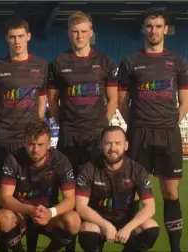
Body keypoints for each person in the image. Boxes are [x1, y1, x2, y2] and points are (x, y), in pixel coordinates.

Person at [117, 9, 188, 252]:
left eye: (158, 26)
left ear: (165, 29)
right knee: (135, 193)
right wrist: (137, 125)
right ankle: (133, 247)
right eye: (149, 26)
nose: (154, 31)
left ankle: (175, 248)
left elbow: (185, 102)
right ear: (143, 29)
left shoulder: (177, 62)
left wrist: (169, 123)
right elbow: (121, 102)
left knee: (170, 192)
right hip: (139, 135)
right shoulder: (130, 62)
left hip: (168, 134)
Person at [47, 13, 119, 251]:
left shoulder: (105, 62)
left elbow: (112, 99)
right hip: (69, 136)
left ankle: (92, 240)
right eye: (75, 32)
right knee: (68, 190)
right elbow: (53, 101)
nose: (79, 36)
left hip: (95, 138)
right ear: (69, 33)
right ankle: (68, 241)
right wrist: (66, 124)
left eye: (84, 31)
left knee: (93, 190)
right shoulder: (59, 62)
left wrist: (101, 124)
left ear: (91, 32)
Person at [0, 16, 49, 252]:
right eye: (12, 37)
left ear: (28, 37)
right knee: (4, 199)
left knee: (31, 197)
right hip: (3, 141)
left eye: (20, 36)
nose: (16, 41)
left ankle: (31, 246)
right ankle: (7, 245)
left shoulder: (41, 66)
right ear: (7, 39)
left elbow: (42, 103)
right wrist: (1, 124)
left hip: (29, 144)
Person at [0, 118, 80, 252]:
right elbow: (4, 197)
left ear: (49, 144)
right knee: (4, 217)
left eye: (40, 144)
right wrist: (29, 210)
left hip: (47, 212)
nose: (35, 149)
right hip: (20, 211)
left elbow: (70, 200)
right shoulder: (13, 159)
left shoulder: (61, 161)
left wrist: (50, 213)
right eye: (31, 144)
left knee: (74, 221)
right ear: (24, 142)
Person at [75, 126, 160, 252]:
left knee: (151, 227)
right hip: (98, 223)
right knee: (87, 229)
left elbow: (150, 207)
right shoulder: (89, 169)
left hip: (127, 223)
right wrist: (106, 225)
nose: (113, 148)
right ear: (101, 145)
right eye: (108, 144)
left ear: (126, 146)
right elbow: (81, 207)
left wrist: (129, 227)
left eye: (117, 143)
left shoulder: (137, 170)